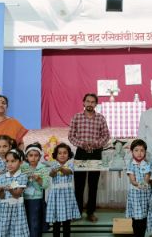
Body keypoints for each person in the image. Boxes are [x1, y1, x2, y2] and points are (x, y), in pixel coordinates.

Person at [68, 93, 110, 222]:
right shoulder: (77, 117)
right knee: (79, 185)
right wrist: (82, 144)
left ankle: (91, 212)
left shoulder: (101, 118)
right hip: (81, 152)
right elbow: (71, 136)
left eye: (93, 102)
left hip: (96, 153)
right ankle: (78, 212)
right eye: (88, 101)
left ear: (96, 104)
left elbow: (106, 136)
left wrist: (96, 144)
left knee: (93, 184)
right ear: (83, 102)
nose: (90, 104)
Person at [0, 148, 29, 237]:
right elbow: (1, 197)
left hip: (16, 210)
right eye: (7, 161)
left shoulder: (22, 176)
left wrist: (11, 190)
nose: (10, 164)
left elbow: (17, 194)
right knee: (2, 231)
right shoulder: (1, 177)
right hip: (3, 210)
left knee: (16, 232)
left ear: (20, 162)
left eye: (13, 161)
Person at [46, 143, 81, 237]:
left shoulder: (70, 165)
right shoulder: (53, 166)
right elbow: (51, 175)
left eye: (65, 153)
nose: (62, 155)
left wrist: (60, 168)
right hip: (55, 195)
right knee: (56, 222)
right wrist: (53, 171)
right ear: (55, 155)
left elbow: (67, 172)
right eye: (59, 153)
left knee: (67, 222)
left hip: (67, 196)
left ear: (69, 155)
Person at [22, 142, 49, 237]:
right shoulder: (22, 167)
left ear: (40, 156)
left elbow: (46, 185)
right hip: (23, 198)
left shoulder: (42, 168)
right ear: (26, 157)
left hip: (36, 199)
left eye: (36, 155)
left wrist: (39, 179)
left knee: (35, 222)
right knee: (25, 222)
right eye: (31, 155)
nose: (33, 158)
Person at [125, 139, 151, 237]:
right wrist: (139, 184)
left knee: (144, 217)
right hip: (135, 194)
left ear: (145, 152)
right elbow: (132, 180)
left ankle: (142, 234)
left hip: (145, 194)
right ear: (132, 151)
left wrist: (144, 183)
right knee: (136, 218)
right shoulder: (131, 164)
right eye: (136, 150)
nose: (139, 153)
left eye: (142, 150)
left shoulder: (147, 163)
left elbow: (147, 176)